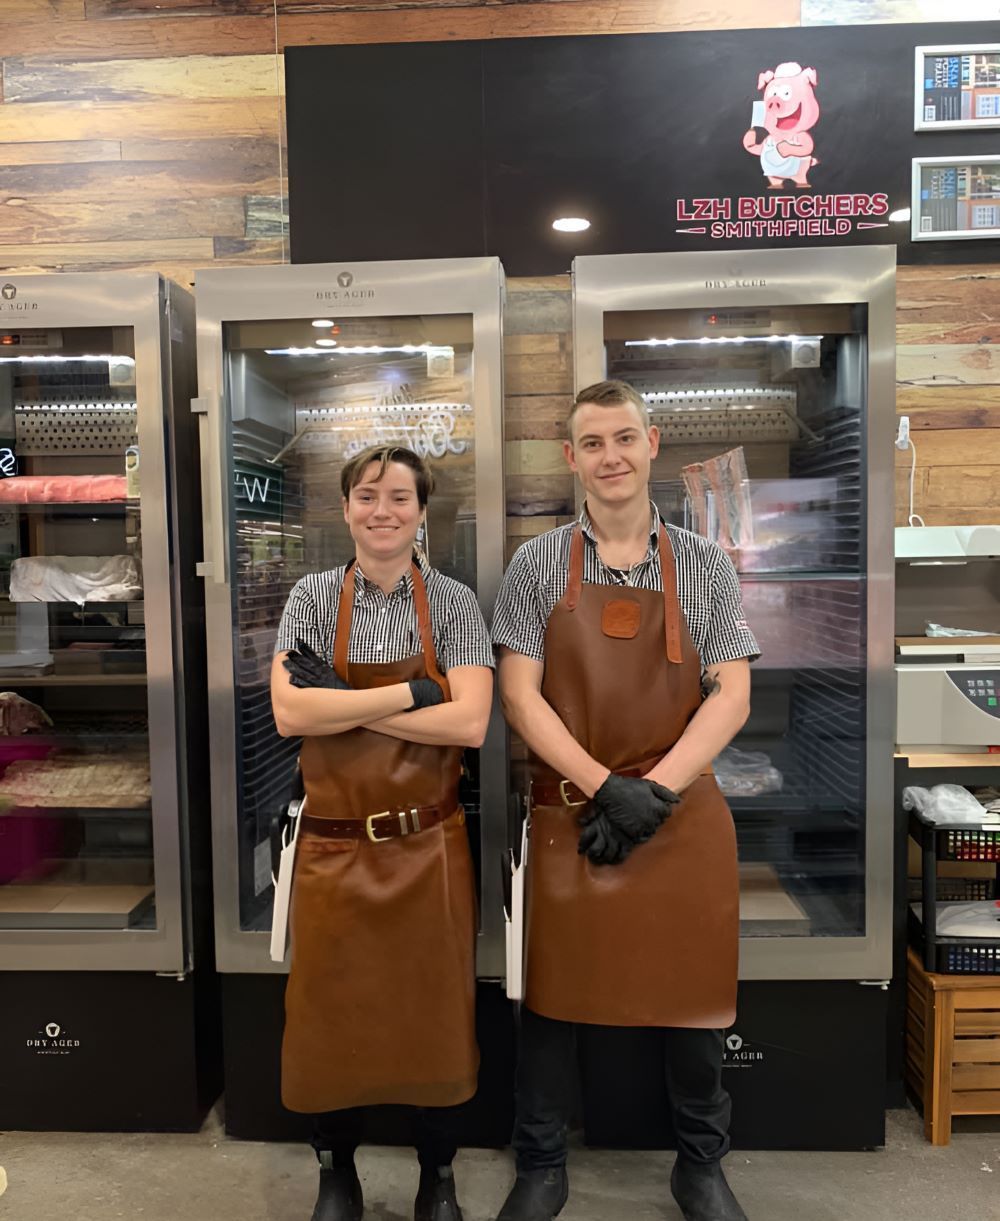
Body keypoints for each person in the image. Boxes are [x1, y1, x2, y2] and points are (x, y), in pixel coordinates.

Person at [491, 380, 759, 1221]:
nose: (611, 456)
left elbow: (733, 693)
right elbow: (520, 698)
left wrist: (656, 791)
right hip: (573, 811)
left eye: (624, 438)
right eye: (593, 443)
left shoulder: (704, 563)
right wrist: (606, 787)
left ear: (652, 444)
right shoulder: (537, 564)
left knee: (694, 1004)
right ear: (572, 459)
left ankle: (701, 1167)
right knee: (551, 1003)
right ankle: (540, 1164)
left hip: (678, 815)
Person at [270, 444, 495, 1221]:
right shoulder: (307, 598)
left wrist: (349, 699)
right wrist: (414, 691)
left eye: (400, 496)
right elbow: (290, 713)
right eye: (368, 495)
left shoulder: (457, 603)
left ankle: (440, 1175)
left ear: (421, 512)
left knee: (437, 1019)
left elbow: (468, 721)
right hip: (331, 849)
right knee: (328, 1022)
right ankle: (338, 1175)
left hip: (428, 845)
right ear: (346, 509)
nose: (383, 510)